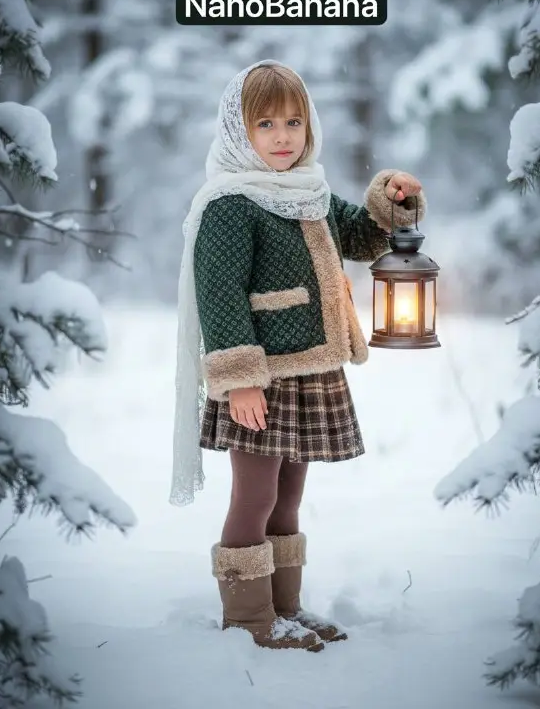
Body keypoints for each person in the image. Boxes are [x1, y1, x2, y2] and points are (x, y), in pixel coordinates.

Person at [171, 60, 426, 653]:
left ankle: (284, 609)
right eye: (265, 124)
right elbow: (220, 294)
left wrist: (392, 202)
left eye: (294, 121)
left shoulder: (309, 192)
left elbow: (361, 239)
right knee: (254, 497)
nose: (283, 137)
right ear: (238, 132)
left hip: (311, 369)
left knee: (288, 497)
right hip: (258, 379)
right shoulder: (230, 204)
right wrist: (239, 380)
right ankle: (248, 620)